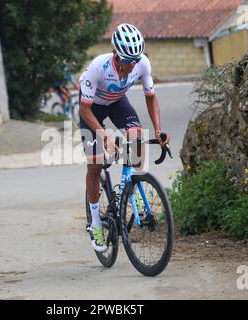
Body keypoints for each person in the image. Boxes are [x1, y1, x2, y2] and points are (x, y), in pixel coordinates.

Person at [79, 23, 170, 252]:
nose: (132, 66)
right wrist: (104, 135)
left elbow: (151, 97)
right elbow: (84, 110)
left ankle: (132, 187)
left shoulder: (142, 64)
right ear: (115, 55)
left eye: (135, 60)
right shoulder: (98, 67)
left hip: (117, 102)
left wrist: (158, 130)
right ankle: (95, 222)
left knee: (137, 137)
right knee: (95, 163)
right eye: (127, 61)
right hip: (92, 109)